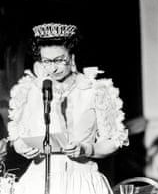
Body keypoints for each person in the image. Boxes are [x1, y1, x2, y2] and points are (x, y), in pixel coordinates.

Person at [7, 22, 129, 194]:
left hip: (81, 180)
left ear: (72, 58)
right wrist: (23, 148)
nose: (53, 67)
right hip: (38, 181)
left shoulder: (95, 91)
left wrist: (88, 149)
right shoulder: (30, 91)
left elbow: (113, 140)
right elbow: (18, 138)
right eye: (46, 61)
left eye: (59, 60)